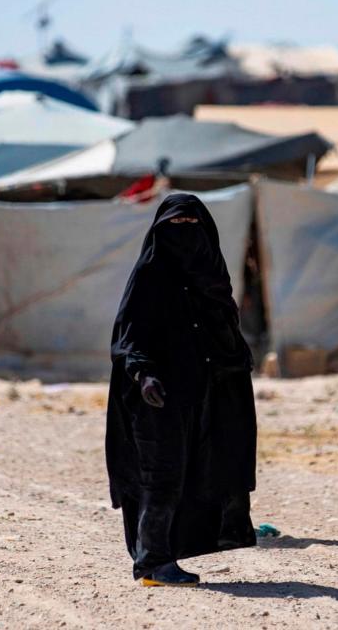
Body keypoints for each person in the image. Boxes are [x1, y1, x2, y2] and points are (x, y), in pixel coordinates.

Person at [106, 194, 257, 587]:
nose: (184, 235)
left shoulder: (212, 275)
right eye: (175, 226)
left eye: (192, 226)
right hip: (154, 394)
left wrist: (237, 362)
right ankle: (153, 562)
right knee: (162, 475)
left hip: (203, 392)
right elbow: (127, 337)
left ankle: (168, 554)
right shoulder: (149, 275)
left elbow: (224, 330)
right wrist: (143, 376)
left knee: (201, 471)